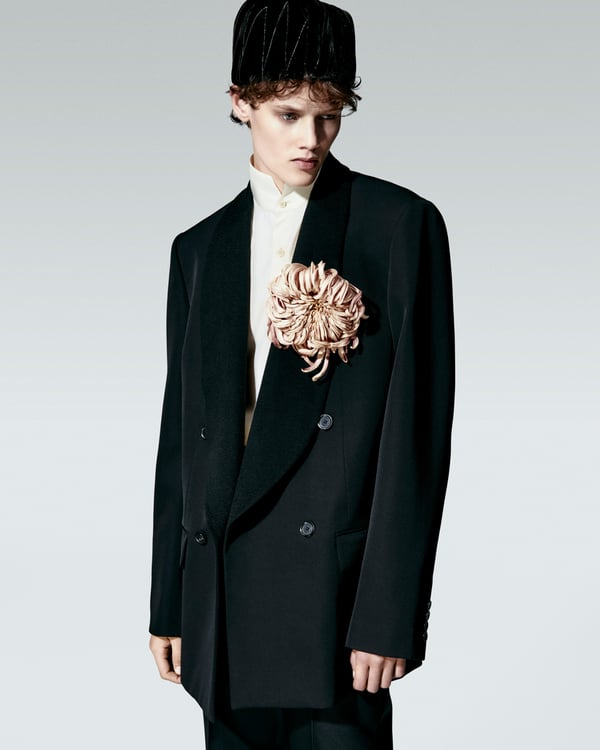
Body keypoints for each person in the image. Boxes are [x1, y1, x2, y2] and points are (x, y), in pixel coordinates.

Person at [149, 1, 455, 747]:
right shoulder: (198, 249)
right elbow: (182, 438)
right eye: (288, 115)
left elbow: (417, 436)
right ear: (240, 104)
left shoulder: (398, 226)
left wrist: (388, 614)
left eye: (329, 116)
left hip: (334, 605)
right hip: (221, 603)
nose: (311, 139)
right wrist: (170, 603)